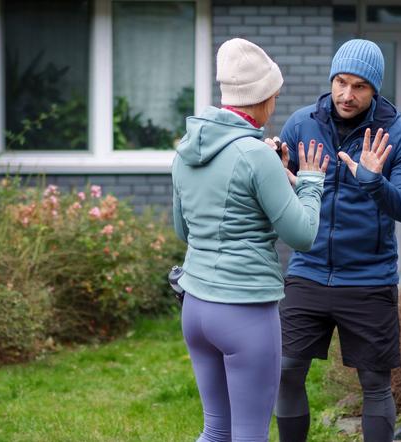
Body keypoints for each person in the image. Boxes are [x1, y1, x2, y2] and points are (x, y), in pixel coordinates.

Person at [172, 38, 329, 442]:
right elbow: (303, 235)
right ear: (263, 98)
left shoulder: (187, 150)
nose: (275, 104)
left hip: (195, 308)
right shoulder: (256, 155)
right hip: (244, 312)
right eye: (274, 96)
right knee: (249, 434)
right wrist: (310, 182)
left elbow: (183, 230)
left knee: (215, 430)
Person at [273, 39, 401, 442]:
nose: (346, 94)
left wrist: (375, 183)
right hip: (307, 271)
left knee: (374, 383)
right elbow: (277, 193)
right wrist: (282, 178)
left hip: (368, 278)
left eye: (359, 86)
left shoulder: (397, 136)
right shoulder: (302, 123)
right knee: (285, 369)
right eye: (340, 82)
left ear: (375, 88)